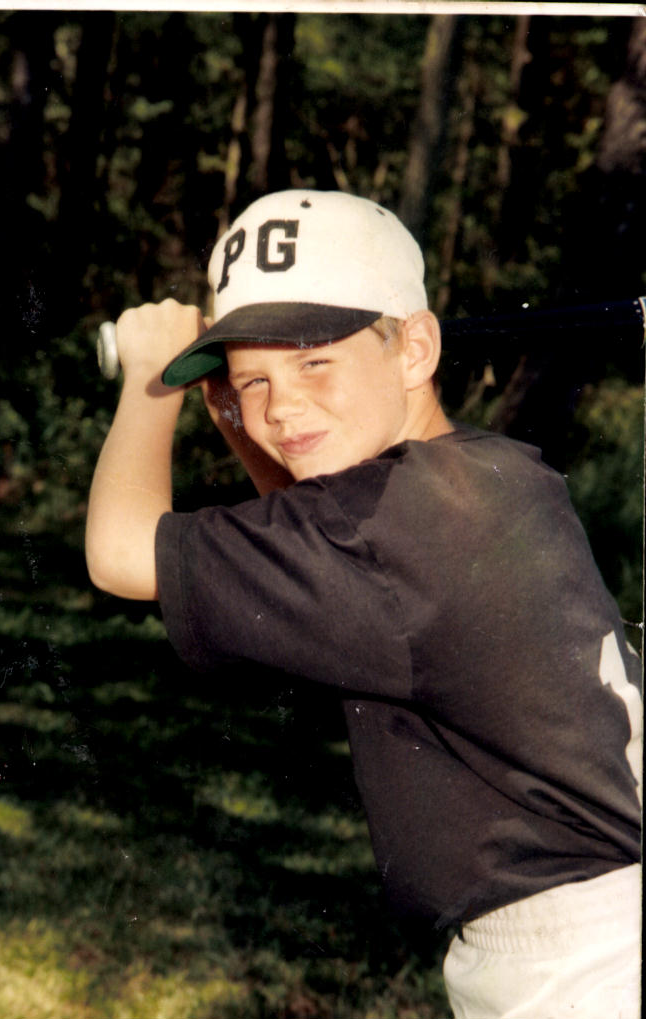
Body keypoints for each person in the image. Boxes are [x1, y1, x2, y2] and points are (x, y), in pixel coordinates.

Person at [86, 189, 642, 1018]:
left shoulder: (394, 525)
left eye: (315, 362)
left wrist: (150, 382)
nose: (281, 406)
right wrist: (240, 426)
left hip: (580, 970)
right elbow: (321, 531)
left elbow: (119, 552)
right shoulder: (482, 476)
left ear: (415, 349)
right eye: (252, 380)